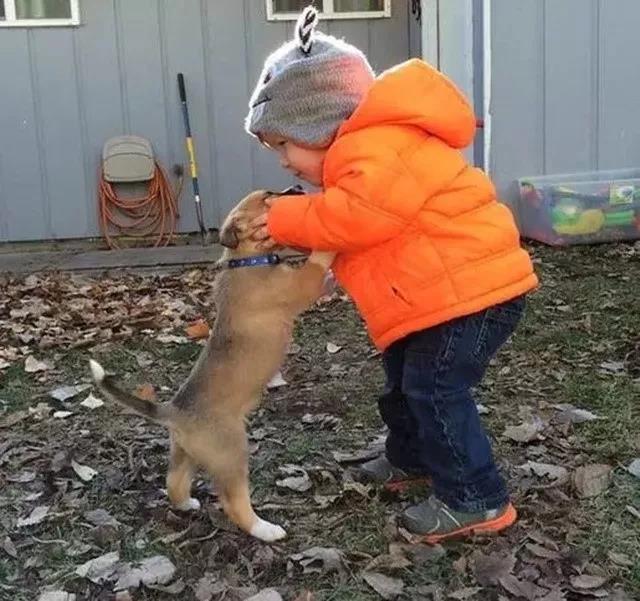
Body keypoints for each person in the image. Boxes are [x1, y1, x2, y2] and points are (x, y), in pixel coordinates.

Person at [243, 5, 538, 543]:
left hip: (472, 295)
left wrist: (285, 219)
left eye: (284, 143)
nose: (283, 161)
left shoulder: (376, 144)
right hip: (438, 297)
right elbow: (371, 233)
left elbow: (359, 218)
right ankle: (413, 458)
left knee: (435, 389)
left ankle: (475, 499)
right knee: (404, 383)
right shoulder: (362, 159)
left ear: (320, 123)